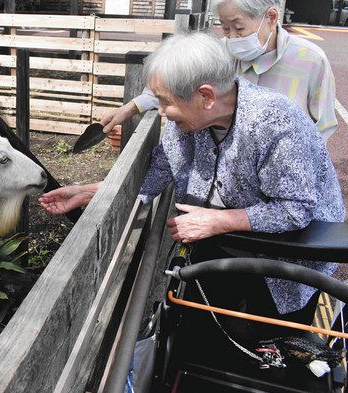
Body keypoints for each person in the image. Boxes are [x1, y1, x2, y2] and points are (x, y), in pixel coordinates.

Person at [39, 32, 345, 323]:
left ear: (206, 96)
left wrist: (217, 221)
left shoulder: (276, 124)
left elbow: (295, 210)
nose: (161, 111)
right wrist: (92, 191)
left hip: (286, 262)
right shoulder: (189, 122)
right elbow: (160, 170)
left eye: (165, 101)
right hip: (225, 241)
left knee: (268, 351)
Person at [101, 0, 338, 141]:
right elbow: (175, 86)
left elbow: (323, 127)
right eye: (225, 28)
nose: (232, 37)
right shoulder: (219, 53)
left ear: (271, 17)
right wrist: (130, 108)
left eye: (239, 27)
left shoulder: (310, 61)